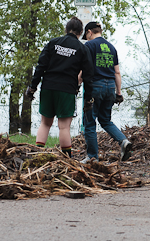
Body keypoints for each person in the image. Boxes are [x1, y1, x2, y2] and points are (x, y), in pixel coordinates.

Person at [26, 17, 94, 158]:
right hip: (67, 90)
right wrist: (88, 100)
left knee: (45, 123)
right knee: (64, 127)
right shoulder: (82, 48)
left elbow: (40, 67)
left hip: (48, 87)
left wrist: (32, 87)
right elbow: (88, 77)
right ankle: (67, 159)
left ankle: (37, 156)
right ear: (81, 32)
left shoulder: (53, 43)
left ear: (66, 29)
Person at [81, 21, 133, 163]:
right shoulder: (112, 47)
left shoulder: (89, 45)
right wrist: (119, 93)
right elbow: (117, 72)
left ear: (89, 32)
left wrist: (77, 81)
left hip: (95, 87)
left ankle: (92, 157)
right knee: (105, 120)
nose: (87, 38)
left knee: (90, 122)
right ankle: (123, 141)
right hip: (110, 87)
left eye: (87, 35)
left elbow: (84, 68)